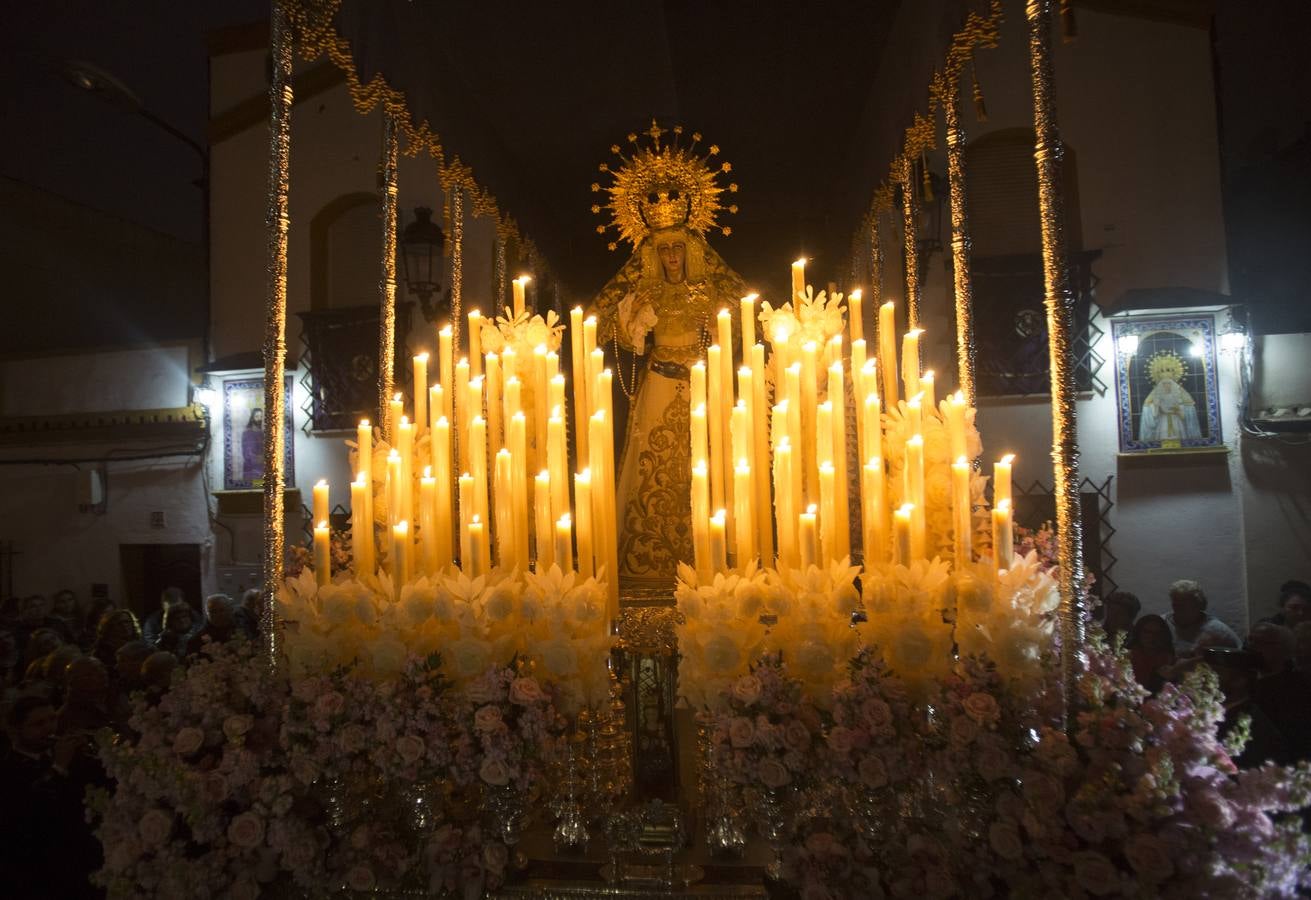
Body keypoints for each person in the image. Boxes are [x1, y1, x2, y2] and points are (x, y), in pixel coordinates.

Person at [591, 128, 750, 584]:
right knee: (652, 468)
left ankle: (712, 554)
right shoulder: (644, 291)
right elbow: (608, 326)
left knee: (707, 463)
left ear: (692, 250)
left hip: (702, 386)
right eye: (665, 249)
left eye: (679, 247)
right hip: (660, 384)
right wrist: (631, 322)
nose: (673, 256)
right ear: (653, 254)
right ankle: (648, 563)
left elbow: (744, 316)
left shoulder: (708, 290)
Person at [1204, 647, 1292, 768]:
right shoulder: (1203, 712)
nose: (1205, 678)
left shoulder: (1255, 729)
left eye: (1216, 672)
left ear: (1240, 680)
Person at [1163, 579, 1239, 658]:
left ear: (1198, 605)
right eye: (1176, 604)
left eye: (1184, 605)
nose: (1178, 609)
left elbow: (1239, 656)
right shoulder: (1162, 624)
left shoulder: (1217, 630)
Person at [1137, 353, 1201, 443]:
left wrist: (1178, 410)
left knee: (1179, 438)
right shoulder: (1156, 394)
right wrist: (1157, 408)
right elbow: (1150, 410)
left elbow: (1188, 414)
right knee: (1163, 438)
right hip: (1163, 423)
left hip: (1177, 422)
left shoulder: (1181, 393)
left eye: (1168, 370)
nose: (1166, 373)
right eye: (1162, 371)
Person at [1128, 614, 1175, 693]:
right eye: (1147, 632)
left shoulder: (1170, 661)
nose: (1152, 637)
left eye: (1157, 633)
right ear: (1139, 633)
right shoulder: (1125, 656)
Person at [242, 407, 264, 483]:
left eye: (261, 417)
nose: (259, 419)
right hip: (251, 471)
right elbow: (247, 454)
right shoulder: (247, 433)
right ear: (252, 418)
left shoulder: (262, 433)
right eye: (257, 416)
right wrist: (261, 458)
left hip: (261, 470)